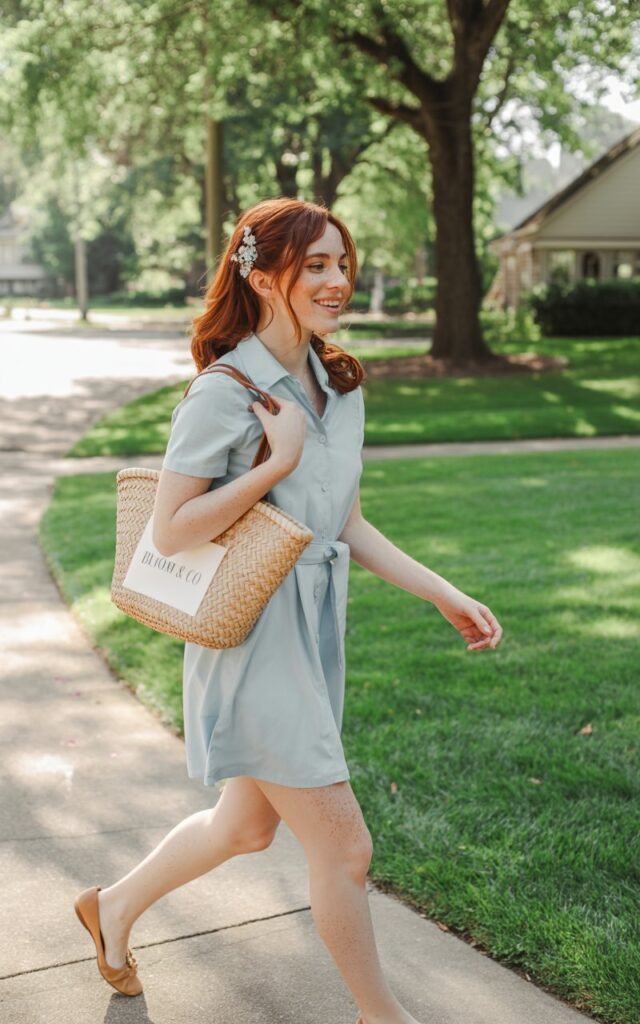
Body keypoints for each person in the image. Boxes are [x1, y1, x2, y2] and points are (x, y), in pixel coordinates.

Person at [74, 196, 503, 1022]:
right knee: (345, 848)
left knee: (244, 829)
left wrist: (443, 593)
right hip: (251, 639)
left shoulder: (339, 384)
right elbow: (170, 527)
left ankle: (113, 907)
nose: (337, 280)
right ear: (263, 276)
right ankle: (386, 1019)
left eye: (343, 262)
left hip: (314, 632)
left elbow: (342, 521)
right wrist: (274, 465)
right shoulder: (222, 390)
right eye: (316, 265)